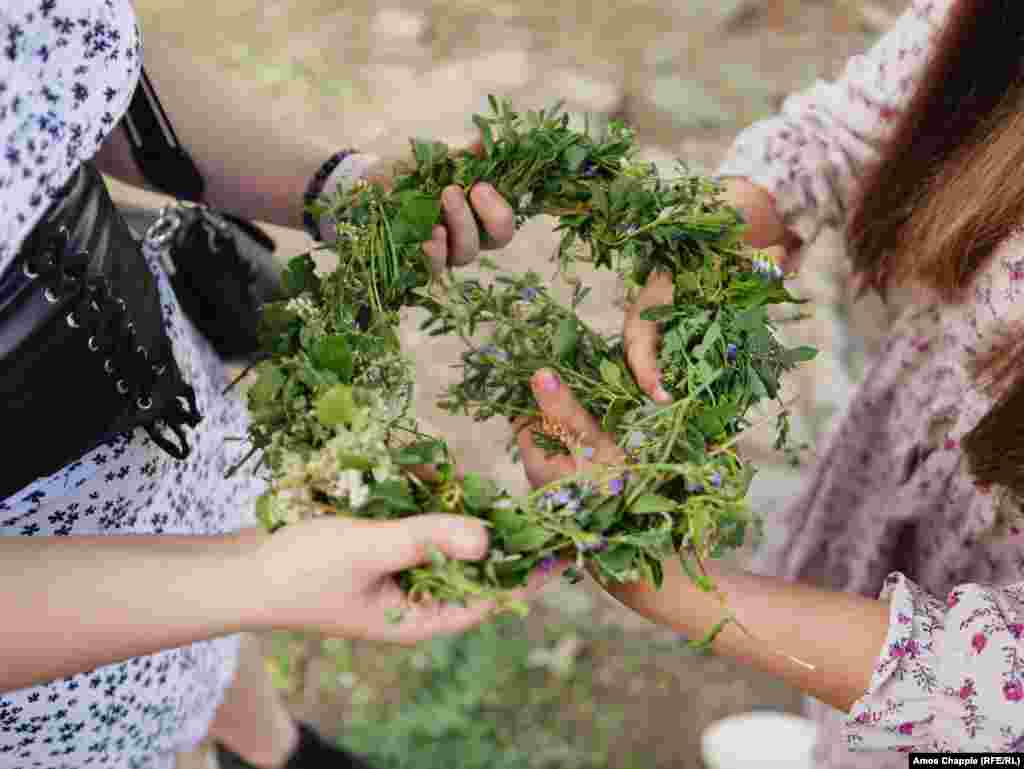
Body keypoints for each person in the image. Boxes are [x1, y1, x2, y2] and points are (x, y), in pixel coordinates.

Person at [0, 2, 568, 768]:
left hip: (154, 412)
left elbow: (71, 58)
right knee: (126, 713)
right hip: (37, 634)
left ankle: (276, 750)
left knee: (200, 638)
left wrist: (339, 188)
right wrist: (256, 576)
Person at [519, 0, 1024, 761]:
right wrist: (727, 231)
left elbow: (995, 688)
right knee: (853, 698)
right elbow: (848, 130)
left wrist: (667, 581)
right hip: (925, 447)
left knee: (925, 745)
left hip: (985, 677)